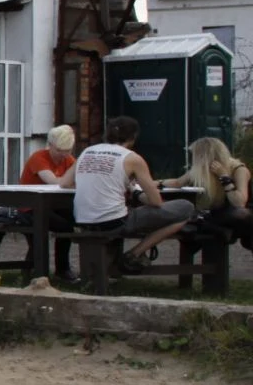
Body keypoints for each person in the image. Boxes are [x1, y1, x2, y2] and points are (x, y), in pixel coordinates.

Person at [61, 115, 194, 273]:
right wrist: (136, 192)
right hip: (114, 222)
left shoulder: (86, 152)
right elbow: (156, 201)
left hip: (83, 220)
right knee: (186, 208)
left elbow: (64, 183)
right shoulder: (133, 159)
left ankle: (116, 265)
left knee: (125, 212)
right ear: (133, 138)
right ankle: (134, 254)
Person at [159, 136, 252, 251]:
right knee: (186, 217)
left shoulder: (238, 169)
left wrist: (224, 178)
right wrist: (153, 183)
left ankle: (207, 227)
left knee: (241, 214)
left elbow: (239, 202)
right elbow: (177, 182)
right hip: (215, 213)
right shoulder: (202, 169)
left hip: (237, 214)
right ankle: (210, 228)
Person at [16, 125, 79, 283]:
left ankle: (60, 269)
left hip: (52, 206)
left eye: (68, 151)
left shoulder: (68, 159)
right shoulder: (39, 158)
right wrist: (71, 179)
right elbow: (54, 183)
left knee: (71, 221)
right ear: (50, 145)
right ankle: (45, 270)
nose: (64, 155)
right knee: (60, 226)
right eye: (60, 150)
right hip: (30, 208)